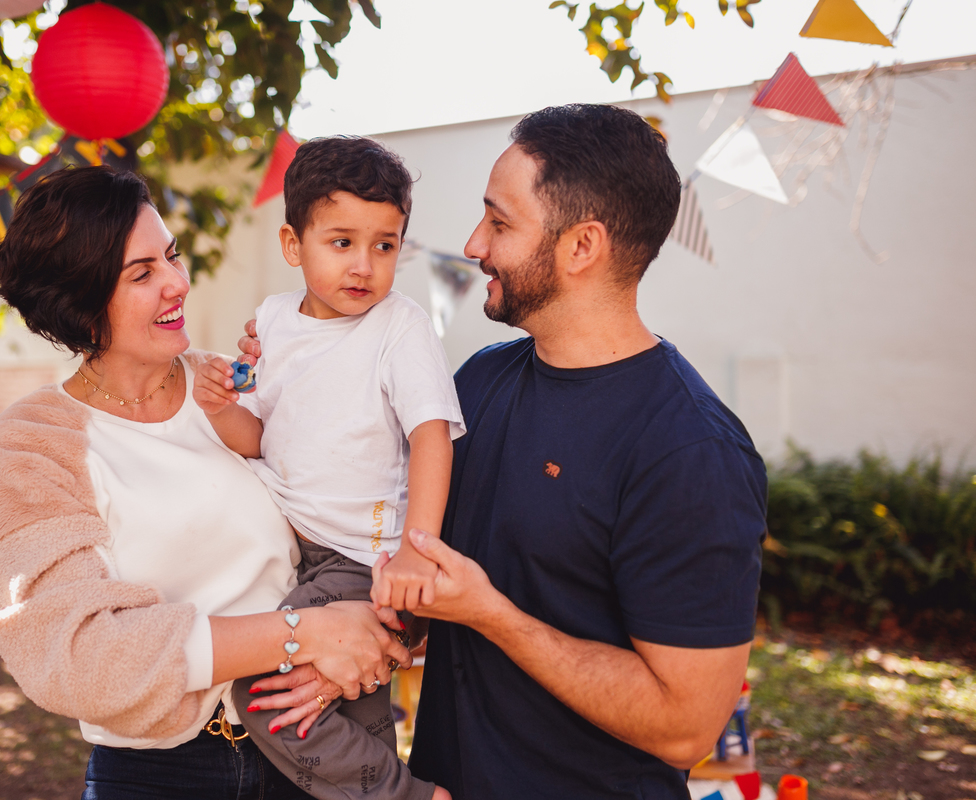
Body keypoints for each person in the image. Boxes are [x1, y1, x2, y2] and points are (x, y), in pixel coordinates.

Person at [239, 104, 767, 799]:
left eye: (499, 221)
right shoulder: (480, 385)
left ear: (581, 247)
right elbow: (413, 575)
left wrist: (493, 615)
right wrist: (357, 642)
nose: (473, 243)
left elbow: (685, 728)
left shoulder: (689, 450)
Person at [0, 165, 411, 800]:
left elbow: (365, 513)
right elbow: (77, 658)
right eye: (141, 273)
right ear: (82, 300)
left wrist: (380, 630)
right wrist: (303, 636)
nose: (178, 282)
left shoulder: (231, 386)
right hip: (165, 774)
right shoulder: (31, 444)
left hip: (317, 742)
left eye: (171, 255)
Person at [193, 136, 461, 800]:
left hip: (359, 558)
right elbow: (258, 437)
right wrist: (219, 407)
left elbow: (433, 435)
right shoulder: (274, 321)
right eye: (342, 242)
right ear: (294, 245)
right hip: (292, 551)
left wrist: (414, 554)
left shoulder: (400, 326)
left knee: (262, 690)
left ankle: (409, 796)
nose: (364, 265)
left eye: (385, 244)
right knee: (349, 706)